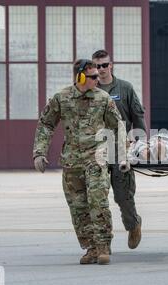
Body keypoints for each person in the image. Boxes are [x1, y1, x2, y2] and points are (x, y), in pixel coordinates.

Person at [33, 59, 128, 265]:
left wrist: (122, 155)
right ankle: (90, 248)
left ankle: (103, 247)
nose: (98, 79)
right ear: (80, 76)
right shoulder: (62, 98)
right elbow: (46, 124)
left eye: (98, 76)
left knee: (98, 202)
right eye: (93, 76)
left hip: (96, 159)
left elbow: (117, 126)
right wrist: (39, 152)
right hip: (71, 162)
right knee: (78, 207)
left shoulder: (103, 99)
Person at [92, 49, 146, 250]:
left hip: (120, 150)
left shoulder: (124, 88)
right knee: (96, 197)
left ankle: (133, 225)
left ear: (111, 65)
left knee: (123, 196)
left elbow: (138, 117)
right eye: (97, 66)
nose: (101, 69)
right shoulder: (88, 89)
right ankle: (101, 243)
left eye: (104, 65)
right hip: (95, 151)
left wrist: (139, 144)